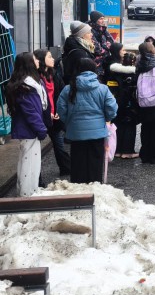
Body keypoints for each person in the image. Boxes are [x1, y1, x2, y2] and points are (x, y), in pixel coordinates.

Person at [57, 58, 117, 184]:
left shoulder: (68, 89)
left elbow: (61, 109)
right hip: (97, 133)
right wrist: (106, 119)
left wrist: (69, 122)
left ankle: (79, 191)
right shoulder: (103, 88)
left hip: (76, 132)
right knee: (95, 163)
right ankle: (94, 189)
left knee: (78, 164)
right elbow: (111, 108)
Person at [6, 53, 48, 196]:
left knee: (28, 161)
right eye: (35, 59)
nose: (38, 61)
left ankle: (27, 193)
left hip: (28, 129)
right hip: (29, 130)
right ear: (29, 63)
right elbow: (31, 112)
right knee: (29, 164)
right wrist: (41, 129)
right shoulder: (26, 86)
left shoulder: (25, 84)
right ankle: (27, 195)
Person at [34, 48, 71, 176]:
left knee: (58, 143)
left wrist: (59, 111)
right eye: (49, 57)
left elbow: (61, 93)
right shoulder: (35, 77)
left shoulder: (54, 74)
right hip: (41, 116)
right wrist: (46, 112)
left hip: (54, 116)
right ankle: (37, 178)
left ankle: (66, 168)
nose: (53, 59)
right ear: (41, 60)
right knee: (35, 149)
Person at [105, 45, 139, 158]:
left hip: (115, 99)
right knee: (129, 124)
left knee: (117, 123)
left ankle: (117, 150)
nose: (124, 52)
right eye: (123, 50)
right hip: (125, 99)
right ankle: (127, 151)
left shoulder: (109, 63)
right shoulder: (117, 66)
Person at [89, 11, 115, 80]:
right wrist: (106, 48)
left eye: (103, 18)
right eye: (100, 19)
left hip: (105, 60)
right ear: (95, 20)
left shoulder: (103, 29)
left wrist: (106, 47)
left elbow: (112, 43)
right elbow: (97, 49)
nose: (103, 21)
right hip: (96, 62)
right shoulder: (89, 30)